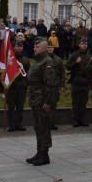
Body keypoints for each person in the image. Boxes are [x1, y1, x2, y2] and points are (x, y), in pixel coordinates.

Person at [26, 37, 59, 165]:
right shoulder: (36, 62)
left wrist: (48, 102)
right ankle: (39, 152)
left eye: (37, 47)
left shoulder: (48, 62)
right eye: (34, 47)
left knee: (44, 127)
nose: (34, 48)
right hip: (35, 98)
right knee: (38, 127)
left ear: (44, 49)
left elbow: (51, 85)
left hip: (42, 100)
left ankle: (44, 155)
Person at [66, 37, 92, 126]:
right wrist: (76, 63)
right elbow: (67, 66)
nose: (84, 45)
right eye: (83, 43)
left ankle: (82, 119)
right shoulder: (75, 55)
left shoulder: (89, 56)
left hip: (86, 82)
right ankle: (75, 120)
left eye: (86, 44)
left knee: (83, 102)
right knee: (76, 102)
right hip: (76, 82)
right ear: (79, 44)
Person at [6, 40, 30, 131]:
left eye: (21, 46)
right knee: (11, 106)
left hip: (22, 87)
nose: (19, 47)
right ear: (13, 47)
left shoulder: (25, 60)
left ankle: (19, 124)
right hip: (12, 87)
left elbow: (27, 74)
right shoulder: (9, 59)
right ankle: (11, 124)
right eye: (17, 46)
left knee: (20, 107)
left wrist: (27, 87)